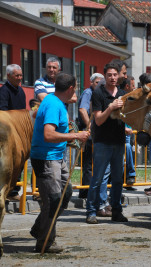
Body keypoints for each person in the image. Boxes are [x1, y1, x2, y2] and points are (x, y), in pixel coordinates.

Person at [30, 73, 90, 253]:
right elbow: (48, 135)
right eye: (76, 87)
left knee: (65, 194)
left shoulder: (56, 102)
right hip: (46, 158)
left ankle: (40, 229)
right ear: (70, 88)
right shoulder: (54, 105)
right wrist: (75, 135)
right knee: (54, 200)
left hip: (56, 157)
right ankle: (45, 242)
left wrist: (72, 140)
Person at [85, 63, 128, 224]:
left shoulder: (123, 94)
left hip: (119, 141)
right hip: (102, 141)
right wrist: (110, 108)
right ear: (105, 76)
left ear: (119, 76)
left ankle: (117, 211)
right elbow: (98, 120)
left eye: (115, 75)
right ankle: (91, 211)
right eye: (109, 75)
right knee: (97, 179)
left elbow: (126, 117)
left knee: (117, 180)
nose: (112, 78)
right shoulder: (98, 94)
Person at [0, 64, 25, 202]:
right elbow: (2, 111)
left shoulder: (20, 91)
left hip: (20, 132)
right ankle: (6, 190)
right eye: (17, 76)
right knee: (8, 163)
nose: (20, 78)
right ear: (8, 76)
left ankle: (13, 190)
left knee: (19, 161)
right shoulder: (4, 91)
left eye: (21, 75)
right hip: (8, 131)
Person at [77, 73, 104, 200]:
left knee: (94, 163)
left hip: (96, 132)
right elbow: (83, 109)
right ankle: (86, 191)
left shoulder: (98, 94)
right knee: (88, 164)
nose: (99, 85)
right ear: (91, 82)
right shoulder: (88, 93)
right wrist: (90, 126)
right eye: (97, 82)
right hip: (87, 132)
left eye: (100, 82)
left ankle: (87, 191)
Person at [120, 75, 137, 186]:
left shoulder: (130, 98)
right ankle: (130, 174)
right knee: (126, 148)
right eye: (133, 85)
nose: (134, 88)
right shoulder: (121, 98)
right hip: (122, 130)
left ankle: (128, 176)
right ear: (127, 86)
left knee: (128, 148)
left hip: (128, 130)